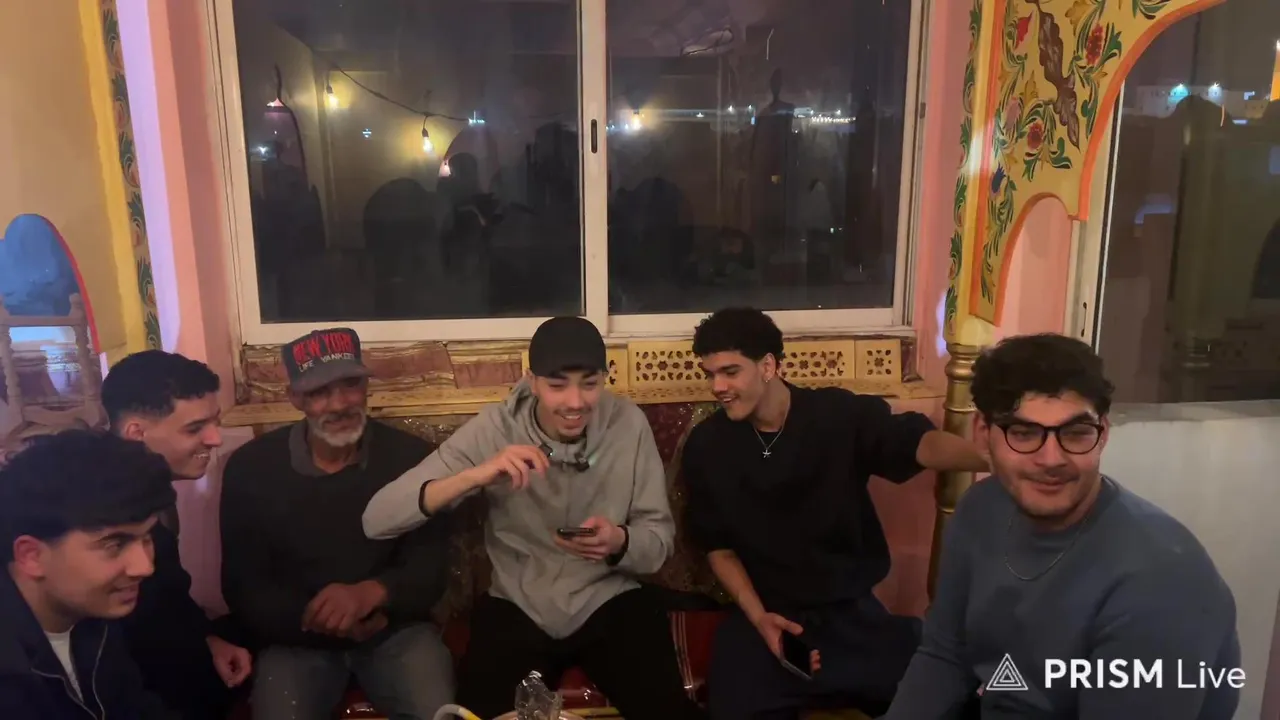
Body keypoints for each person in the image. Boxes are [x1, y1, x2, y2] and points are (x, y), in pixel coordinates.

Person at [364, 316, 705, 720]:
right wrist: (478, 474)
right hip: (518, 602)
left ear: (605, 378)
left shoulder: (627, 424)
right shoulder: (495, 427)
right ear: (532, 381)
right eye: (557, 385)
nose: (575, 402)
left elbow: (658, 543)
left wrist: (620, 542)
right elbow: (377, 519)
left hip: (609, 597)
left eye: (590, 384)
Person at [884, 334, 1240, 719]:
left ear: (1102, 435)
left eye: (1075, 433)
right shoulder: (980, 510)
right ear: (983, 435)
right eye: (1023, 434)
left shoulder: (1161, 581)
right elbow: (944, 656)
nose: (1051, 459)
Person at [680, 307, 990, 719]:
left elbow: (919, 444)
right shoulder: (707, 445)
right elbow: (719, 549)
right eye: (711, 374)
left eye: (730, 372)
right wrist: (760, 619)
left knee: (956, 694)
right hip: (765, 618)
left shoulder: (835, 415)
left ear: (768, 366)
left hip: (850, 616)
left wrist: (993, 459)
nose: (718, 387)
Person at [220, 327, 454, 719]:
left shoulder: (412, 458)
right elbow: (243, 586)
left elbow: (432, 567)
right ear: (295, 398)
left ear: (366, 387)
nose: (340, 403)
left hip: (396, 632)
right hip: (296, 639)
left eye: (350, 385)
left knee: (438, 711)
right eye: (320, 392)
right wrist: (321, 620)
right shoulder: (251, 468)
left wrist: (372, 593)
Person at [102, 350, 252, 719]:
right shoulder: (98, 513)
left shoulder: (153, 491)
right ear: (136, 434)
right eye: (194, 428)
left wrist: (208, 639)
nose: (215, 439)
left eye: (215, 422)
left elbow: (168, 595)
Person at [0, 430, 177, 718]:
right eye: (115, 544)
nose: (144, 567)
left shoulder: (93, 613)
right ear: (32, 556)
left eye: (146, 538)